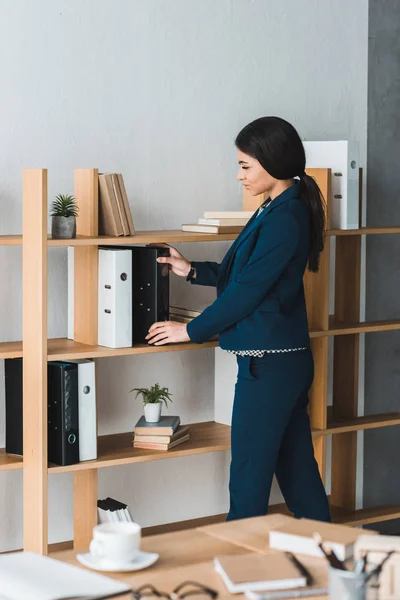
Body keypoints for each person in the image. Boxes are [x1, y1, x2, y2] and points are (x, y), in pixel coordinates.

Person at [146, 116, 331, 523]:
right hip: (280, 362)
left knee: (248, 481)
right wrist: (190, 269)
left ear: (273, 161)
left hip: (269, 366)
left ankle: (236, 575)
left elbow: (248, 292)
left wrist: (189, 330)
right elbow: (245, 276)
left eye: (245, 166)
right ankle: (336, 569)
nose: (238, 175)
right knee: (299, 478)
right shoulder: (277, 207)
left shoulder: (285, 216)